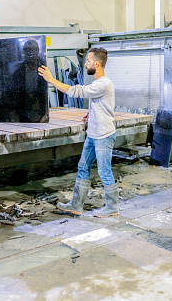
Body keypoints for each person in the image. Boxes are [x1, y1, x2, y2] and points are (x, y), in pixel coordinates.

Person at [38, 47, 118, 218]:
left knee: (104, 171)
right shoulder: (99, 84)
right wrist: (92, 114)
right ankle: (76, 204)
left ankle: (112, 207)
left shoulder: (103, 83)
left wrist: (51, 79)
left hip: (103, 135)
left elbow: (76, 91)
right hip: (94, 133)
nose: (86, 64)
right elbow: (102, 104)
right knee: (83, 166)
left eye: (88, 61)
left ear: (97, 63)